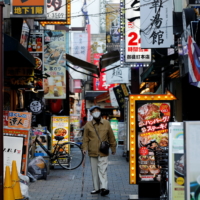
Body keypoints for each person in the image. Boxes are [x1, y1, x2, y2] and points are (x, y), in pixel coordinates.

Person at [82, 106, 117, 196]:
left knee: (102, 169)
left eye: (97, 110)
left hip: (103, 150)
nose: (96, 112)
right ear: (91, 113)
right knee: (94, 171)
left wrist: (113, 148)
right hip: (92, 150)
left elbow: (111, 137)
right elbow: (85, 138)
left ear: (100, 112)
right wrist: (84, 148)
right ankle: (96, 188)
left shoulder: (106, 123)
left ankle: (104, 188)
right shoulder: (88, 125)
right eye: (94, 111)